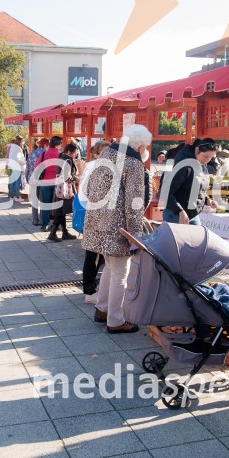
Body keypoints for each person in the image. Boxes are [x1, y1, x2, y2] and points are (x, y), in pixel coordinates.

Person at [82, 124, 152, 334]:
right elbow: (135, 203)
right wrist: (135, 234)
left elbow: (88, 188)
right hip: (118, 226)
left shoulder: (106, 154)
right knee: (121, 272)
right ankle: (116, 319)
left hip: (97, 222)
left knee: (110, 268)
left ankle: (102, 309)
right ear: (140, 146)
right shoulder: (133, 163)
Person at [79, 139, 110, 303]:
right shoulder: (94, 167)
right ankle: (89, 291)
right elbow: (84, 191)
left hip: (99, 215)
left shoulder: (104, 167)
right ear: (97, 153)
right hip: (94, 215)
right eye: (105, 152)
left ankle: (93, 289)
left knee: (99, 255)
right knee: (93, 255)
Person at [163, 138, 218, 225]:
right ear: (197, 150)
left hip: (192, 214)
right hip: (175, 214)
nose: (207, 160)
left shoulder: (201, 163)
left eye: (211, 158)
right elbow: (166, 192)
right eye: (206, 156)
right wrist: (180, 211)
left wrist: (208, 200)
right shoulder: (184, 165)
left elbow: (196, 187)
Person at [48, 142, 79, 242]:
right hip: (65, 190)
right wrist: (76, 179)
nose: (75, 155)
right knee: (61, 212)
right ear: (69, 152)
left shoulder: (61, 158)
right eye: (75, 153)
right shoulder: (68, 160)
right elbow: (67, 176)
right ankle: (52, 233)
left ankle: (64, 232)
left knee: (61, 212)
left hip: (59, 189)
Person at [36, 136, 63, 231]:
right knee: (56, 204)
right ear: (57, 144)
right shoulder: (60, 155)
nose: (61, 146)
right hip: (56, 183)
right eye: (60, 144)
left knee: (45, 204)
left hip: (45, 182)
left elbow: (37, 167)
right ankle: (56, 225)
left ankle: (45, 224)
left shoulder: (44, 154)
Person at [26, 138, 48, 226]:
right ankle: (43, 220)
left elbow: (27, 168)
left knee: (34, 200)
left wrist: (27, 178)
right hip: (42, 179)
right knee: (43, 199)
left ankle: (35, 219)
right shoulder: (45, 154)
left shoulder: (32, 154)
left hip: (33, 179)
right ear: (46, 145)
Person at [6, 136, 26, 202]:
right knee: (17, 183)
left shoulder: (12, 147)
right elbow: (18, 159)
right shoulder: (18, 149)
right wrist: (25, 162)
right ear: (20, 142)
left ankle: (11, 196)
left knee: (13, 182)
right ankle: (17, 196)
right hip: (17, 167)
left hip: (12, 166)